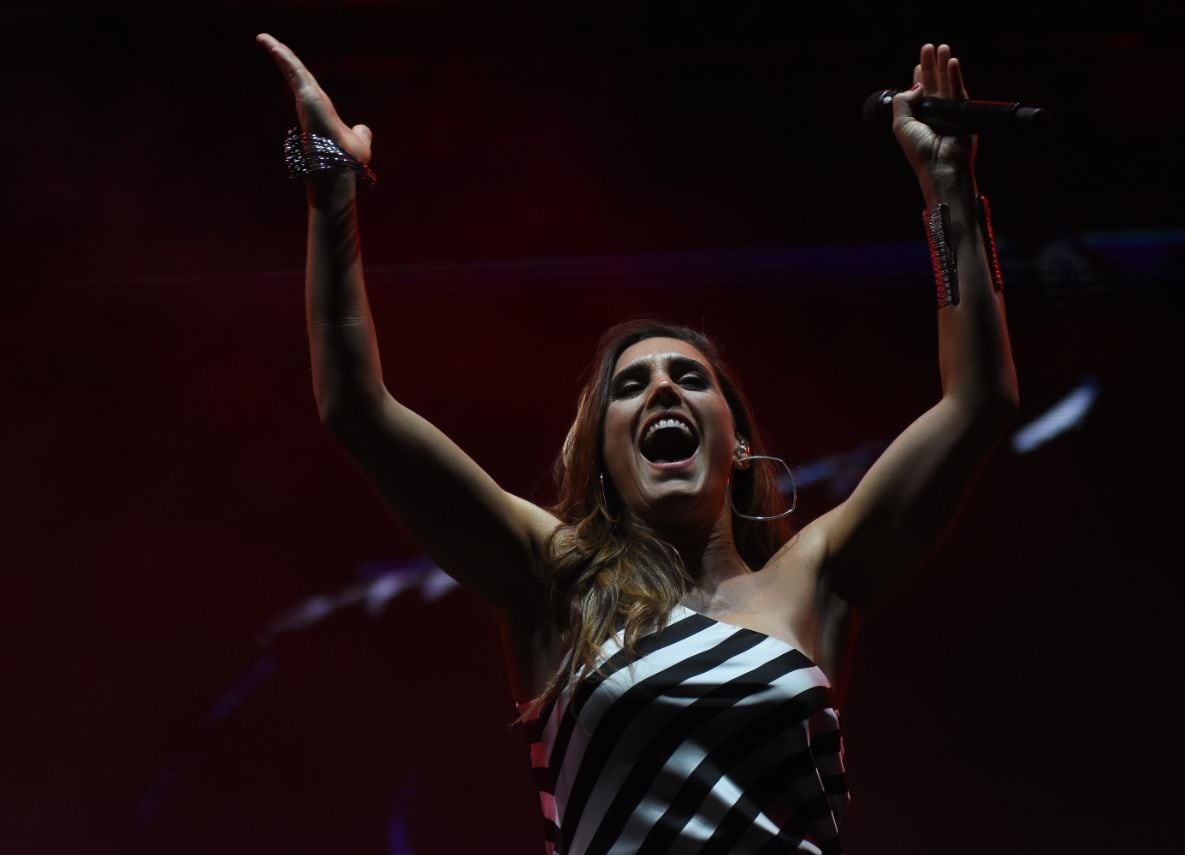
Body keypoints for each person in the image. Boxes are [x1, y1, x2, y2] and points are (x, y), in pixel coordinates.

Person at [257, 33, 1019, 855]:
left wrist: (950, 192)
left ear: (738, 441)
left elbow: (977, 402)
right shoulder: (553, 580)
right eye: (629, 384)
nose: (661, 388)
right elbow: (356, 409)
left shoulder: (817, 575)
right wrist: (330, 191)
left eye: (691, 379)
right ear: (602, 460)